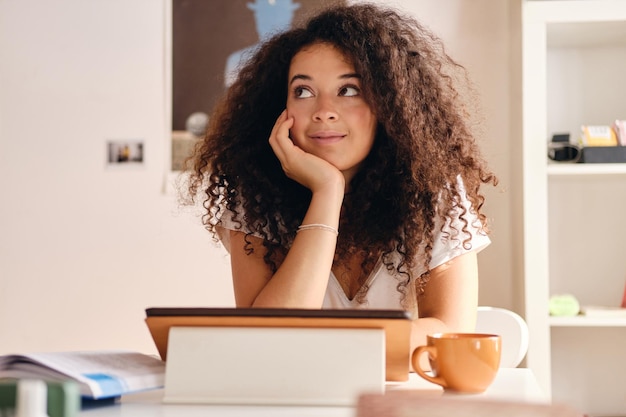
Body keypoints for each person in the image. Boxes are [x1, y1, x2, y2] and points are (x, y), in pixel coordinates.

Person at [184, 3, 498, 356]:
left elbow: (447, 333)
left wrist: (321, 340)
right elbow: (266, 339)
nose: (323, 111)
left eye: (348, 90)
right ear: (280, 107)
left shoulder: (434, 194)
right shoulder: (254, 200)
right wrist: (328, 191)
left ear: (389, 104)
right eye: (303, 91)